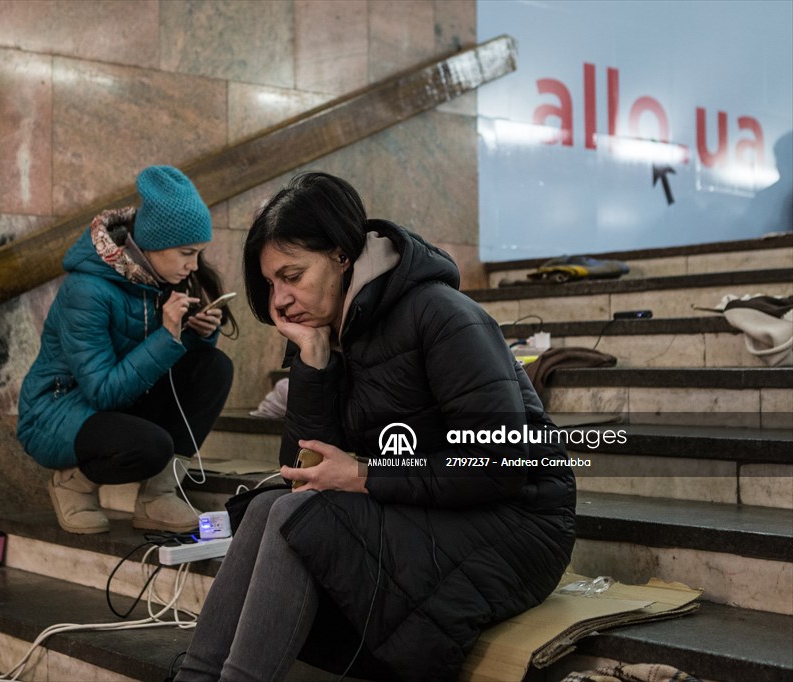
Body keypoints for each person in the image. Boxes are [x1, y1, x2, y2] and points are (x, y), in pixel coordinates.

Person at [174, 172, 576, 681]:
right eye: (271, 284)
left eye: (292, 276)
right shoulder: (332, 334)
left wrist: (365, 475)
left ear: (342, 256)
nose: (279, 301)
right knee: (265, 508)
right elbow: (304, 470)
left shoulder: (442, 314)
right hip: (424, 507)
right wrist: (314, 364)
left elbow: (501, 464)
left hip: (518, 522)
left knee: (297, 515)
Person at [17, 166, 235, 534]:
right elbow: (103, 391)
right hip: (57, 411)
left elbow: (152, 369)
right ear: (153, 242)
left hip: (122, 400)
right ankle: (73, 483)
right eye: (186, 252)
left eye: (199, 253)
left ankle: (159, 494)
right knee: (150, 446)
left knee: (212, 366)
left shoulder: (160, 278)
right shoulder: (86, 291)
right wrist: (167, 336)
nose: (194, 265)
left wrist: (195, 335)